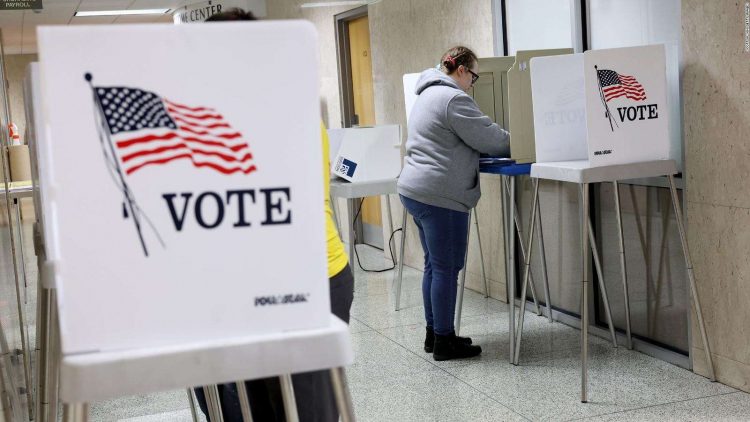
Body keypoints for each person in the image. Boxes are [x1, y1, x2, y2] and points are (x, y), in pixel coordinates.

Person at [193, 8, 354, 422]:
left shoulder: (281, 111)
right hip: (250, 288)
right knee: (256, 406)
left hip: (309, 282)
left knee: (304, 412)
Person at [398, 46, 510, 361]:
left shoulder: (427, 94)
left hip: (415, 190)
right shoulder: (453, 99)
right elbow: (492, 138)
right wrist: (527, 139)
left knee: (434, 266)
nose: (473, 83)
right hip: (440, 196)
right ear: (461, 70)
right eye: (473, 76)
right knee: (447, 268)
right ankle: (445, 342)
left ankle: (434, 335)